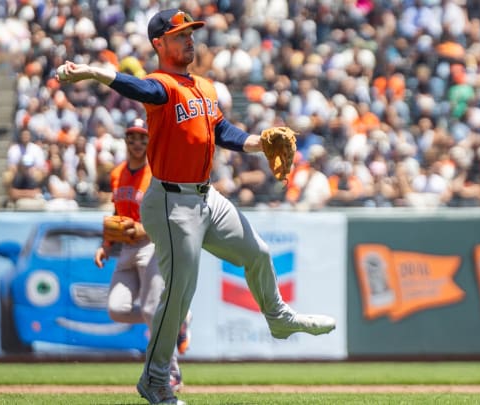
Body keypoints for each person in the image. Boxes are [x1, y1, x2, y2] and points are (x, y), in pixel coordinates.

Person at [57, 8, 336, 404]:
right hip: (171, 202)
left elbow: (222, 130)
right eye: (180, 35)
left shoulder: (203, 86)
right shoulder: (161, 85)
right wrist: (91, 71)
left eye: (191, 33)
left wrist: (258, 143)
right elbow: (135, 87)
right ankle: (155, 381)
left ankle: (278, 319)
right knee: (178, 294)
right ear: (160, 43)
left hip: (206, 196)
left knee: (258, 251)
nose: (190, 40)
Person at [93, 118, 191, 391]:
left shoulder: (158, 174)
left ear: (150, 142)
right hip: (126, 247)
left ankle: (172, 372)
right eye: (132, 137)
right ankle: (177, 317)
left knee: (150, 309)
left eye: (142, 138)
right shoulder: (117, 173)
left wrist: (141, 227)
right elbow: (116, 215)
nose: (137, 143)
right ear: (125, 141)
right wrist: (105, 246)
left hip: (152, 245)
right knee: (117, 308)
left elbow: (169, 214)